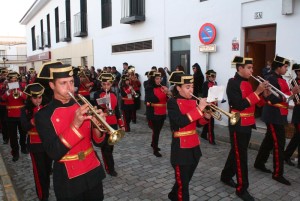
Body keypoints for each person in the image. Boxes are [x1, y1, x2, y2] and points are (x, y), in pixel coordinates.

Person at [35, 62, 107, 200]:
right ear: (52, 85)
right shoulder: (43, 116)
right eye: (63, 83)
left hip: (92, 169)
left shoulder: (83, 104)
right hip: (68, 177)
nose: (70, 87)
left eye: (71, 81)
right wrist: (74, 125)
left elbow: (97, 142)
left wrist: (98, 127)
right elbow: (53, 152)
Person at [220, 56, 269, 201]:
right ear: (240, 68)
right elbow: (239, 105)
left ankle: (225, 175)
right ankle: (242, 189)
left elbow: (257, 104)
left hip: (248, 123)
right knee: (241, 156)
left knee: (236, 151)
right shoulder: (232, 83)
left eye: (252, 68)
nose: (252, 70)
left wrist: (264, 95)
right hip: (238, 123)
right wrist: (257, 92)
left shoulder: (248, 83)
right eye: (249, 68)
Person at [254, 55, 299, 186]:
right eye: (285, 66)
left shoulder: (281, 79)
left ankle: (259, 163)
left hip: (280, 114)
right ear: (278, 67)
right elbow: (271, 99)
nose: (286, 69)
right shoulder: (271, 79)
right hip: (274, 116)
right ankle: (278, 174)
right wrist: (292, 93)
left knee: (269, 140)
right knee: (279, 144)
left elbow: (284, 96)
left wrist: (291, 94)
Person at [167, 73, 211, 201]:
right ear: (179, 88)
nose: (191, 90)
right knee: (184, 186)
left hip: (194, 147)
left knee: (185, 180)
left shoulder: (193, 101)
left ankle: (172, 195)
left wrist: (206, 118)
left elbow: (196, 123)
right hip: (180, 148)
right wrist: (199, 109)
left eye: (192, 86)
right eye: (187, 87)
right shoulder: (172, 102)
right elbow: (179, 122)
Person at [20, 83, 52, 201]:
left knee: (48, 169)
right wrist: (33, 121)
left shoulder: (47, 108)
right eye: (35, 98)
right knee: (40, 172)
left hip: (47, 143)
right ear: (30, 98)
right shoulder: (25, 110)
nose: (38, 100)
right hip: (35, 144)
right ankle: (42, 195)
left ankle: (46, 189)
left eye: (40, 97)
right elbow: (24, 127)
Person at [93, 73, 125, 176]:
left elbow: (117, 110)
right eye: (104, 84)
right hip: (104, 123)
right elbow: (96, 109)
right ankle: (110, 168)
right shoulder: (97, 94)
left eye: (108, 84)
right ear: (101, 85)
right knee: (106, 148)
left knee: (111, 147)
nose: (106, 86)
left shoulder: (114, 94)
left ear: (111, 85)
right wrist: (104, 102)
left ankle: (109, 164)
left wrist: (121, 124)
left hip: (113, 123)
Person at [1, 71, 28, 161]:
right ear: (9, 80)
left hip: (21, 114)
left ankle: (23, 148)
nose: (13, 81)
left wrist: (19, 92)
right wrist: (8, 91)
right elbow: (2, 98)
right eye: (12, 80)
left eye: (15, 80)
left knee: (23, 134)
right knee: (13, 136)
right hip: (10, 115)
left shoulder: (22, 87)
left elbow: (26, 98)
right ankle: (15, 153)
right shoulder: (6, 88)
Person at [145, 71, 169, 157]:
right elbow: (154, 99)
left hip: (162, 112)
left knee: (158, 130)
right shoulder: (149, 88)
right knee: (156, 132)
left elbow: (168, 99)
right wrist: (165, 93)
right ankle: (155, 149)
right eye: (157, 79)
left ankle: (153, 143)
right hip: (153, 113)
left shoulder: (163, 87)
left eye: (160, 78)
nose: (159, 80)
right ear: (153, 79)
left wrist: (168, 93)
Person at [284, 63, 300, 168]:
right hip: (298, 110)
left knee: (297, 137)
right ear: (297, 72)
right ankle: (287, 155)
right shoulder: (293, 82)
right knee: (298, 136)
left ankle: (287, 155)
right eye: (298, 71)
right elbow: (294, 97)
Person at [201, 69, 217, 145]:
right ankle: (211, 139)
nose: (214, 78)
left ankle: (203, 134)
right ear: (208, 77)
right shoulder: (205, 84)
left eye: (215, 76)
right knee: (211, 123)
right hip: (208, 105)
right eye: (212, 76)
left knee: (209, 122)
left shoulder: (215, 83)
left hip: (214, 104)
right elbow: (204, 96)